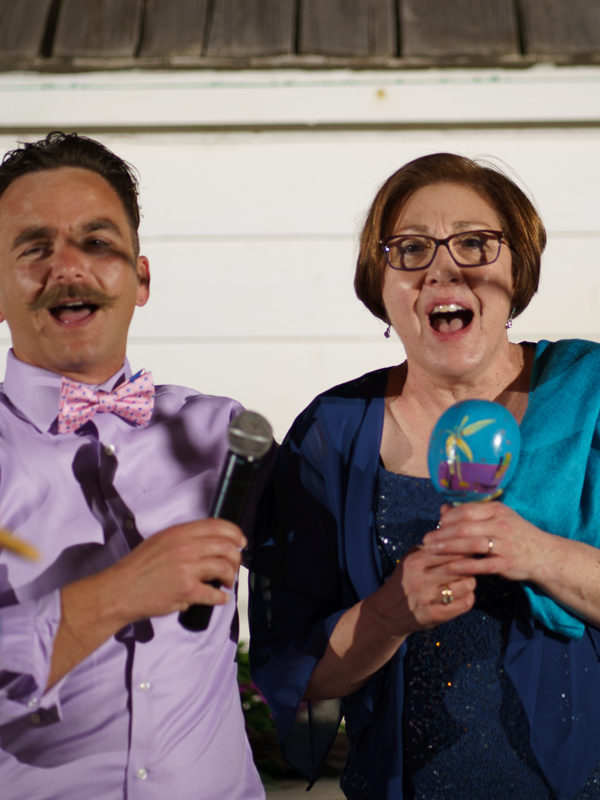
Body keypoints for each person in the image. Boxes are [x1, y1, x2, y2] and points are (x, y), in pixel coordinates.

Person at [249, 152, 600, 799]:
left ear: (517, 268)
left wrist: (540, 554)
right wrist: (388, 615)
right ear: (379, 286)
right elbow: (300, 670)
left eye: (474, 243)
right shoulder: (332, 433)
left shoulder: (590, 393)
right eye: (410, 249)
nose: (443, 267)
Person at [0, 131, 265, 799]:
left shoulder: (223, 433)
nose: (68, 268)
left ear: (140, 279)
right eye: (35, 248)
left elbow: (334, 571)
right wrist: (116, 595)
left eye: (96, 242)